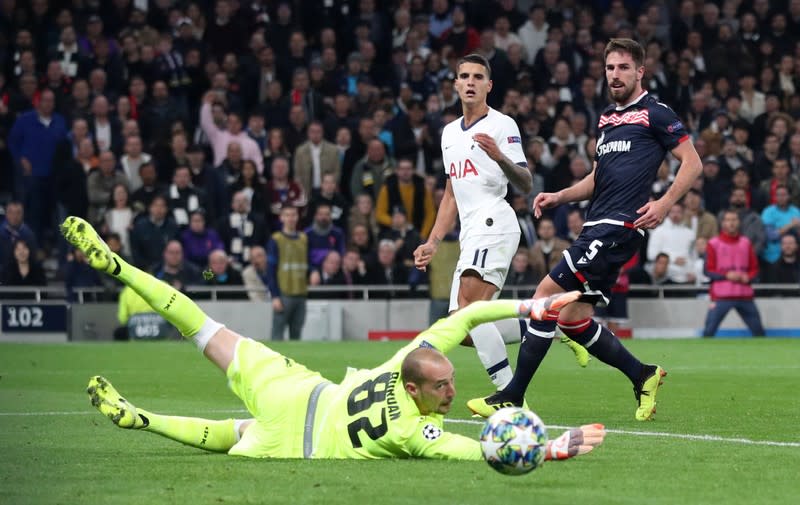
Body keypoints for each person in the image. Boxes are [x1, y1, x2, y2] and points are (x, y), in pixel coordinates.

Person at [61, 215, 603, 461]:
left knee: (201, 325)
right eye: (442, 387)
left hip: (297, 390)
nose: (451, 389)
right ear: (415, 391)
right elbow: (469, 447)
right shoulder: (412, 432)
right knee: (232, 435)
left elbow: (462, 321)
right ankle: (145, 420)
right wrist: (546, 449)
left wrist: (533, 305)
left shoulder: (402, 362)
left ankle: (120, 267)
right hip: (296, 445)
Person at [468, 39, 703, 421]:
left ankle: (511, 395)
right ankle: (642, 375)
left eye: (624, 68)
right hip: (596, 224)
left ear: (640, 72)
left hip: (617, 226)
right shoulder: (607, 118)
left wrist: (664, 203)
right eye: (610, 68)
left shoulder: (656, 113)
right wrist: (559, 196)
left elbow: (692, 163)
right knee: (573, 319)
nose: (615, 75)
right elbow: (598, 177)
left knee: (544, 298)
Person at [413, 53, 537, 393]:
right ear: (455, 84)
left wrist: (500, 156)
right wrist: (433, 241)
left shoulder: (502, 125)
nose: (470, 82)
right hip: (470, 234)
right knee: (463, 327)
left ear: (489, 85)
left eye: (477, 77)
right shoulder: (449, 133)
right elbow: (451, 194)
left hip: (495, 221)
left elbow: (526, 182)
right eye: (464, 76)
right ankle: (549, 326)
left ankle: (509, 396)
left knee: (470, 309)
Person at [702, 210, 765, 337]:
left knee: (759, 333)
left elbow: (755, 269)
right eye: (728, 220)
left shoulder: (746, 243)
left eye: (734, 220)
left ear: (739, 222)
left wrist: (749, 277)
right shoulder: (713, 243)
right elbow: (708, 270)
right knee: (708, 333)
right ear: (723, 223)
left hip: (744, 295)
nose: (731, 223)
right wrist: (726, 275)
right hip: (721, 296)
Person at [267, 205, 308, 341]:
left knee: (296, 335)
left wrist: (314, 272)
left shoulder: (304, 239)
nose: (291, 218)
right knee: (277, 335)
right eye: (287, 215)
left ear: (297, 217)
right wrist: (275, 296)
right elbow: (271, 270)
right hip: (284, 294)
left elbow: (308, 262)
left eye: (293, 215)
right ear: (281, 217)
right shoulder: (276, 239)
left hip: (301, 293)